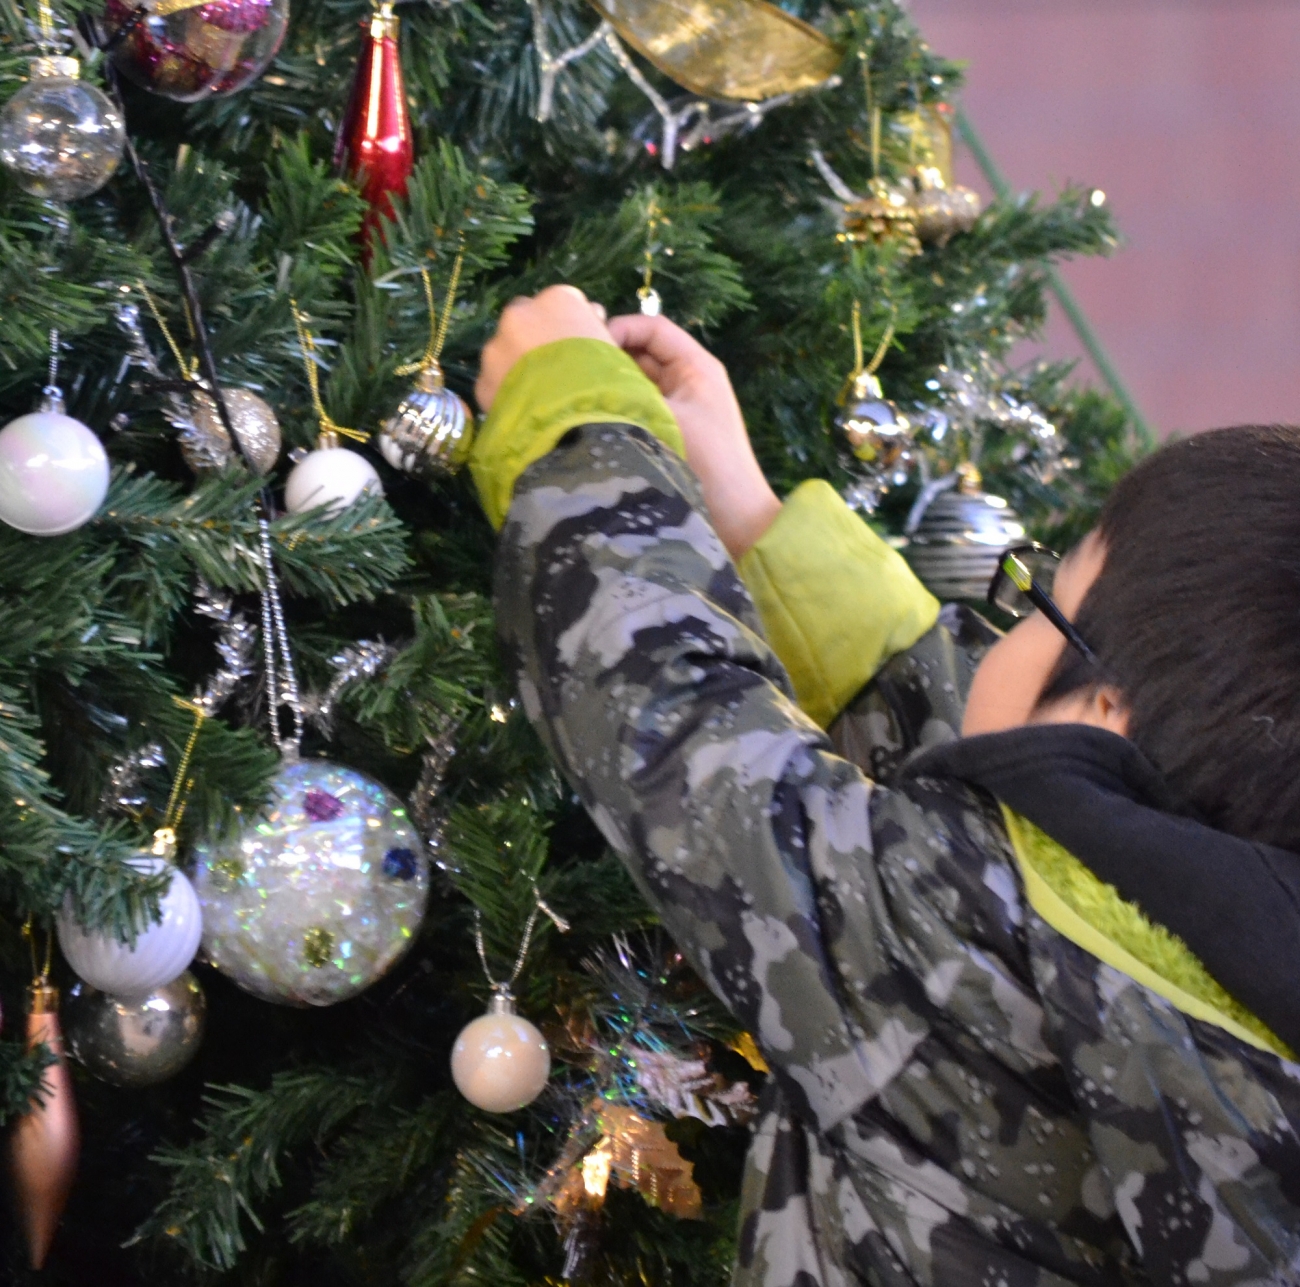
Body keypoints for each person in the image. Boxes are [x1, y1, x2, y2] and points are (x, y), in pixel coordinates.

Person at [469, 285, 1300, 1287]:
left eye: (1043, 598)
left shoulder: (982, 965)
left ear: (1106, 715)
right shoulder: (1222, 951)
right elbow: (1016, 817)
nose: (1010, 616)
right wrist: (754, 522)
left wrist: (573, 421)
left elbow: (673, 726)